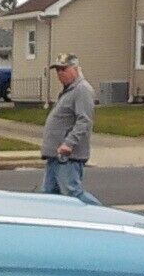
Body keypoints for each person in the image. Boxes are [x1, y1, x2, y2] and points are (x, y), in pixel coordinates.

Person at [40, 53, 100, 205]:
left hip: (67, 156)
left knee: (73, 195)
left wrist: (69, 143)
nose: (60, 74)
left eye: (63, 69)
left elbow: (84, 121)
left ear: (75, 69)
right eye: (57, 70)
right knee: (49, 197)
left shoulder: (82, 90)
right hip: (55, 155)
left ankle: (104, 217)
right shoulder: (69, 91)